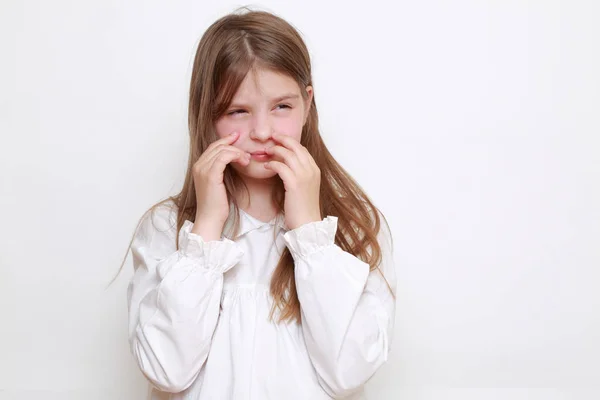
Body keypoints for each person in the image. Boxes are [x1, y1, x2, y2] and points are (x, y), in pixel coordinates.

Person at [124, 7, 397, 400]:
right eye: (238, 111)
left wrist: (308, 234)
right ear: (208, 114)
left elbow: (346, 374)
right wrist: (207, 226)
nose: (263, 131)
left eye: (282, 107)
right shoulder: (169, 229)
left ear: (307, 104)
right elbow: (167, 372)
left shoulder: (353, 226)